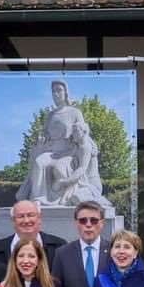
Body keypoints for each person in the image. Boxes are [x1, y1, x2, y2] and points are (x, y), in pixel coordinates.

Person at [17, 79, 112, 208]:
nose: (56, 94)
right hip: (51, 152)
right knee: (39, 162)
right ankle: (38, 199)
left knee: (59, 168)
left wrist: (91, 145)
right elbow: (44, 133)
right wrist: (41, 137)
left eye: (59, 90)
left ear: (65, 92)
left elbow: (84, 130)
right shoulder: (50, 116)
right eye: (53, 92)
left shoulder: (75, 112)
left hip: (69, 152)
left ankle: (64, 197)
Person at [51, 201, 111, 287]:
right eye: (83, 220)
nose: (88, 225)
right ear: (76, 223)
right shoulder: (62, 254)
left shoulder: (113, 252)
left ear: (102, 223)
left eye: (94, 220)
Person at [0, 199, 67, 267]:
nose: (26, 220)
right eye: (21, 216)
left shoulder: (60, 247)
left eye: (31, 215)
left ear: (39, 218)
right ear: (13, 220)